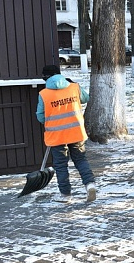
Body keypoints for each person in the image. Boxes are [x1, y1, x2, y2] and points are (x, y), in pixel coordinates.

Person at [36, 65, 98, 203]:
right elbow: (85, 98)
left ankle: (66, 195)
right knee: (81, 160)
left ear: (46, 77)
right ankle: (90, 185)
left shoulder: (44, 94)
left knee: (61, 165)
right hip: (76, 133)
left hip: (57, 136)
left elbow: (40, 117)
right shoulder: (73, 87)